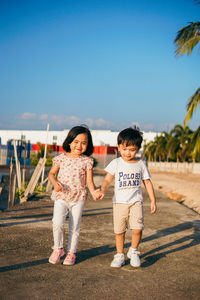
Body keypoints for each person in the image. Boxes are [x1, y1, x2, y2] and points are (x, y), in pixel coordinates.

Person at [100, 127, 157, 268]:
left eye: (132, 150)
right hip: (119, 203)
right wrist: (102, 190)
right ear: (119, 147)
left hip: (136, 202)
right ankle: (119, 255)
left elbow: (147, 182)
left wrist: (153, 200)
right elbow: (107, 180)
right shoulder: (116, 163)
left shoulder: (140, 164)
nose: (127, 153)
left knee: (137, 229)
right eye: (124, 149)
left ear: (137, 149)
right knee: (120, 232)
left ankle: (134, 251)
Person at [48, 125, 100, 265]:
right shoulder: (61, 158)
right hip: (62, 195)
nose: (79, 145)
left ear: (88, 145)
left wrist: (94, 191)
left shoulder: (87, 161)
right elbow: (52, 174)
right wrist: (55, 183)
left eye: (84, 143)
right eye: (76, 142)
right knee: (57, 223)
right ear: (69, 142)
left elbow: (89, 181)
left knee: (75, 226)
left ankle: (71, 253)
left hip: (78, 198)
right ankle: (58, 248)